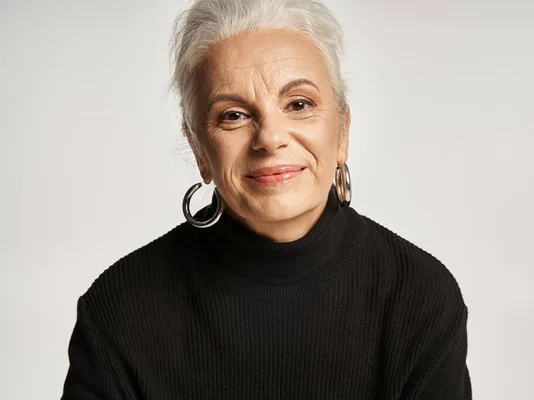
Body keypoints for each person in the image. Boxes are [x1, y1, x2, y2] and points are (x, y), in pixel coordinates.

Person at [61, 0, 472, 398]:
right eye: (233, 115)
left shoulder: (418, 297)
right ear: (200, 150)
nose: (271, 138)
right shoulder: (119, 310)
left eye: (299, 104)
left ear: (342, 131)